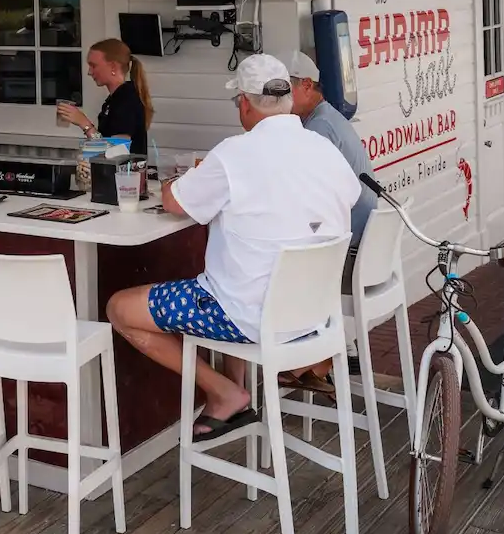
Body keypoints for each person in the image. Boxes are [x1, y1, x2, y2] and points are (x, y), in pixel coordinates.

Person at [106, 53, 357, 440]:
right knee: (230, 273)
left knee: (120, 307)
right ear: (290, 97)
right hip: (312, 318)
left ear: (243, 102)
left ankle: (225, 392)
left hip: (247, 317)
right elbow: (348, 196)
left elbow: (175, 202)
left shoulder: (234, 153)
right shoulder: (324, 150)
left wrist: (184, 178)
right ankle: (231, 389)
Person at [282, 52, 376, 247]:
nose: (279, 100)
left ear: (307, 85)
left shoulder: (319, 126)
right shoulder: (325, 116)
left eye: (284, 91)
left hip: (347, 239)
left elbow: (307, 196)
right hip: (360, 234)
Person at [55, 38, 152, 156]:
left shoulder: (126, 100)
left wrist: (85, 124)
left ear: (113, 67)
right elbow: (103, 143)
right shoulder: (114, 99)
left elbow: (117, 152)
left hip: (126, 174)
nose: (89, 72)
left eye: (93, 66)